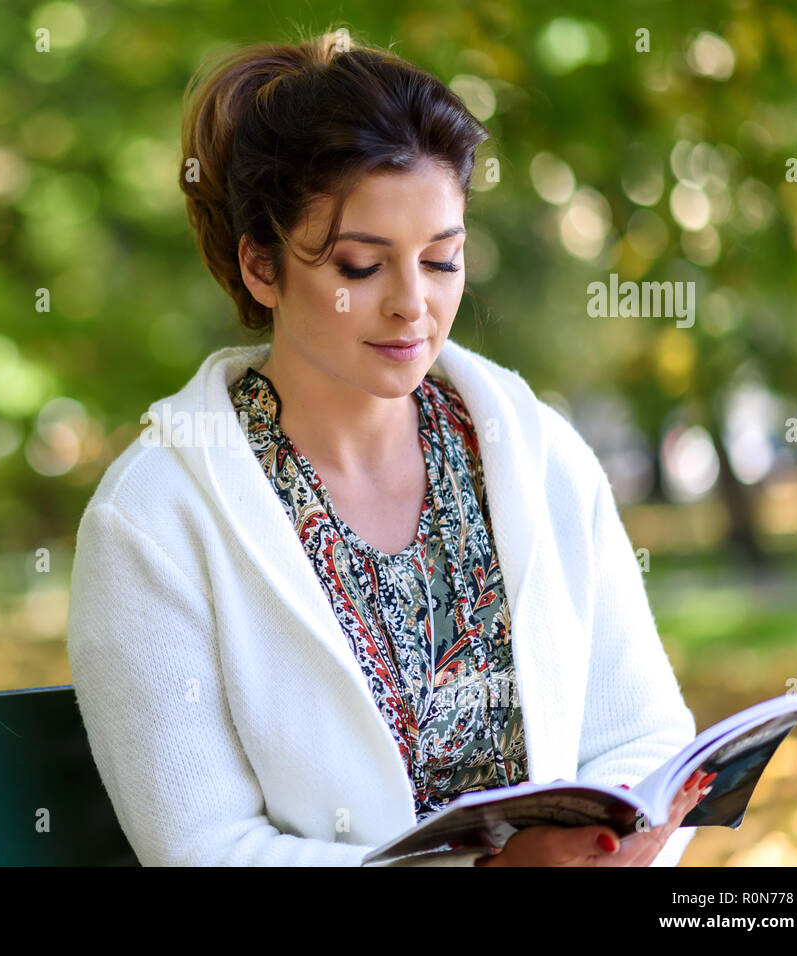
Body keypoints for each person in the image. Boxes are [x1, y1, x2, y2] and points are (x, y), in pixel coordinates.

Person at [66, 31, 713, 866]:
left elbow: (643, 733)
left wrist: (611, 847)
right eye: (363, 268)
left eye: (442, 260)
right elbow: (204, 847)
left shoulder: (537, 451)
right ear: (261, 267)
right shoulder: (153, 521)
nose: (414, 305)